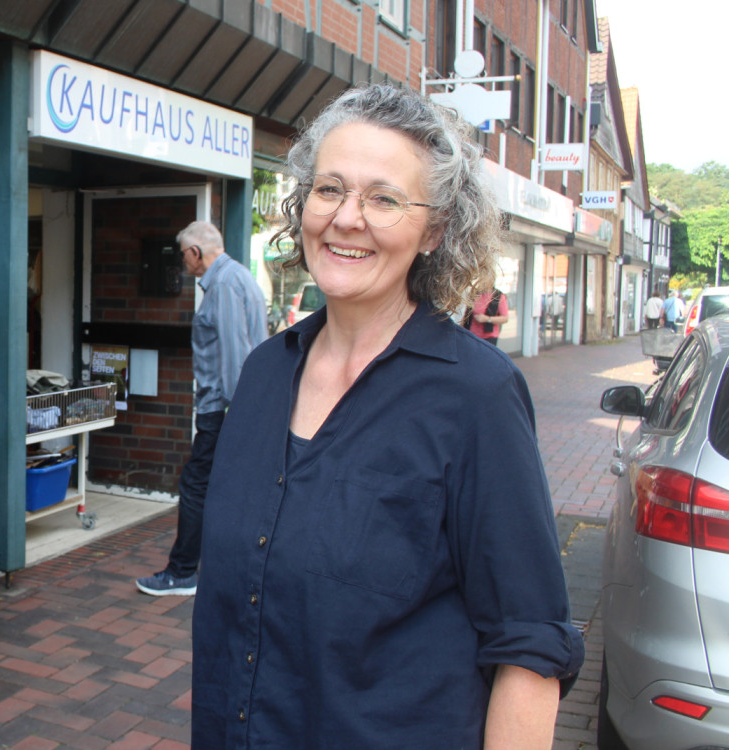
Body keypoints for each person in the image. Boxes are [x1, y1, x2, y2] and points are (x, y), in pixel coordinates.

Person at [192, 85, 583, 748]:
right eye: (329, 189)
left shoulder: (476, 396)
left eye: (384, 199)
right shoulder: (263, 375)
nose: (347, 218)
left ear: (435, 231)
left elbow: (529, 642)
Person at [135, 220, 268, 596]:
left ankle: (181, 572)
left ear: (195, 253)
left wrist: (237, 414)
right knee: (225, 489)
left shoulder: (223, 285)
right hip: (237, 408)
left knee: (195, 486)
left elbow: (234, 357)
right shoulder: (238, 277)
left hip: (223, 409)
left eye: (183, 256)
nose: (182, 263)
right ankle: (228, 570)